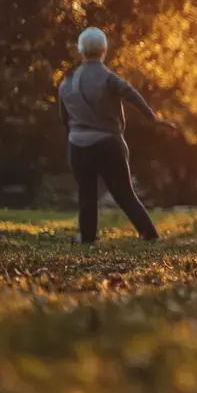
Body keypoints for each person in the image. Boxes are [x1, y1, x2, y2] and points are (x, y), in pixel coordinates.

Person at [58, 27, 175, 243]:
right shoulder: (108, 78)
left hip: (78, 145)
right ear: (104, 50)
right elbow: (132, 95)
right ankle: (149, 234)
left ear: (81, 50)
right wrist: (154, 119)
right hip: (109, 144)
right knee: (124, 193)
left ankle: (87, 237)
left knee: (86, 194)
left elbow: (64, 117)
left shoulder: (67, 82)